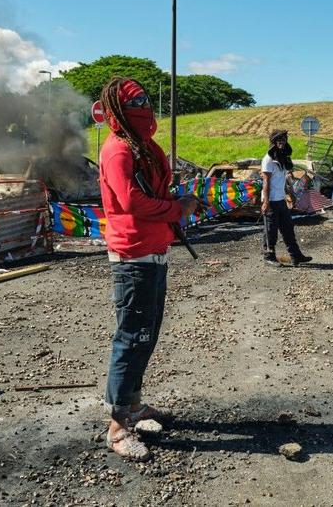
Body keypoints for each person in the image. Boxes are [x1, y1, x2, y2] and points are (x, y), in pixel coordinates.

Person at [97, 77, 198, 461]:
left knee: (147, 335)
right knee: (132, 338)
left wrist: (177, 201)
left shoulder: (143, 147)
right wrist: (177, 210)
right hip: (133, 257)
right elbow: (132, 202)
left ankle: (134, 405)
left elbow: (151, 193)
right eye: (133, 100)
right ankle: (118, 426)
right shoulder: (118, 150)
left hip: (153, 252)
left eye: (143, 98)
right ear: (118, 109)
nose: (142, 104)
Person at [261, 129, 312, 266]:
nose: (282, 142)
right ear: (273, 142)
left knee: (288, 228)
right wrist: (265, 202)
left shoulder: (282, 158)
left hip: (280, 199)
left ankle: (296, 256)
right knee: (271, 231)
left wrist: (290, 195)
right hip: (271, 201)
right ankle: (269, 257)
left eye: (284, 139)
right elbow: (266, 181)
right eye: (279, 140)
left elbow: (284, 180)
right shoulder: (268, 159)